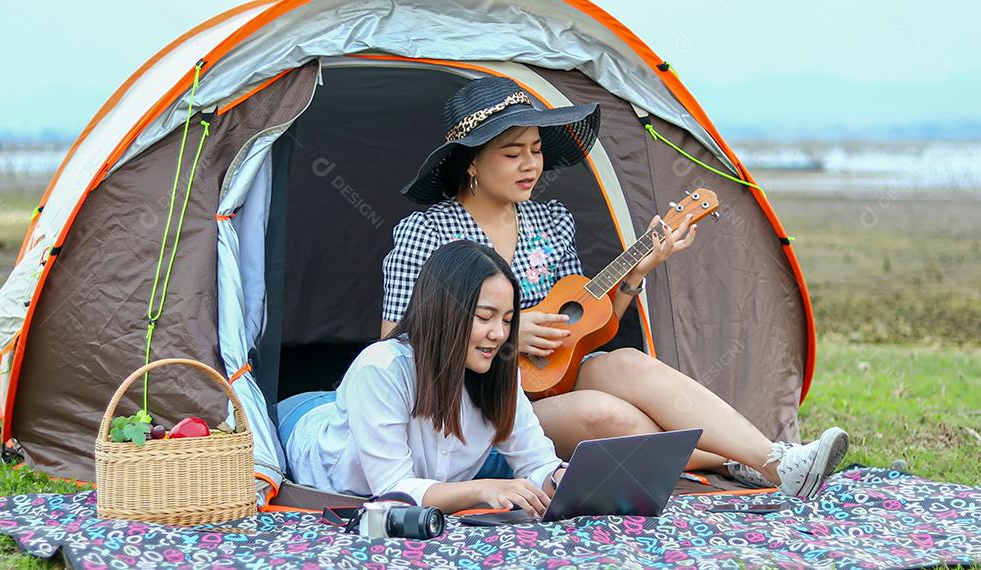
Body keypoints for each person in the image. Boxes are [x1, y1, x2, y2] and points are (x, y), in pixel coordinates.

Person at [380, 76, 848, 499]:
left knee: (625, 361)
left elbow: (585, 325)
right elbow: (391, 345)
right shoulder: (427, 232)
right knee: (608, 414)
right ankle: (735, 458)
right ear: (472, 164)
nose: (530, 164)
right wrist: (506, 332)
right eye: (511, 152)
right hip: (483, 403)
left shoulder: (551, 221)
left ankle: (778, 461)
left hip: (553, 381)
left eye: (537, 149)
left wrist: (639, 271)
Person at [279, 241, 565, 516]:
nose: (500, 334)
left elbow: (537, 462)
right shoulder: (381, 367)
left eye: (507, 319)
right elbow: (394, 492)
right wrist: (480, 489)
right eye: (484, 317)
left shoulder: (500, 372)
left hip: (376, 414)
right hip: (308, 426)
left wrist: (559, 477)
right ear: (445, 311)